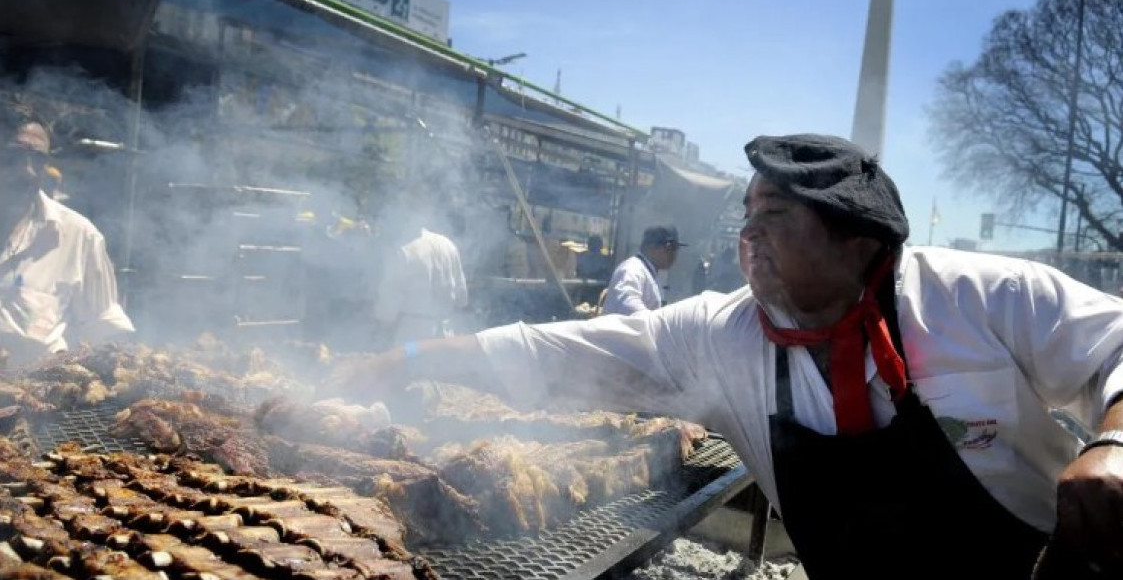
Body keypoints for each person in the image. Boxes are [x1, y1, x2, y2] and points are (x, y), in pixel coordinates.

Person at [329, 133, 1123, 579]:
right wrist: (410, 357)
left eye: (775, 215)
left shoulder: (974, 295)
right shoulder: (717, 334)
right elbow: (554, 352)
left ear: (856, 239)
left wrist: (1113, 445)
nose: (747, 236)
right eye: (745, 216)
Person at [0, 107, 134, 368]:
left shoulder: (79, 236)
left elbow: (104, 327)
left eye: (38, 160)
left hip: (36, 400)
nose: (27, 171)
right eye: (12, 157)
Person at [371, 203, 468, 346]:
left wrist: (376, 328)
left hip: (413, 340)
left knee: (411, 367)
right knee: (445, 368)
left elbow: (387, 310)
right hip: (447, 336)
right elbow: (462, 298)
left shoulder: (401, 251)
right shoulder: (447, 244)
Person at [601, 225, 685, 315]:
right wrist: (656, 323)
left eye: (676, 248)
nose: (673, 254)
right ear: (651, 247)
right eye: (669, 248)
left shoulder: (647, 271)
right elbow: (627, 306)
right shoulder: (632, 270)